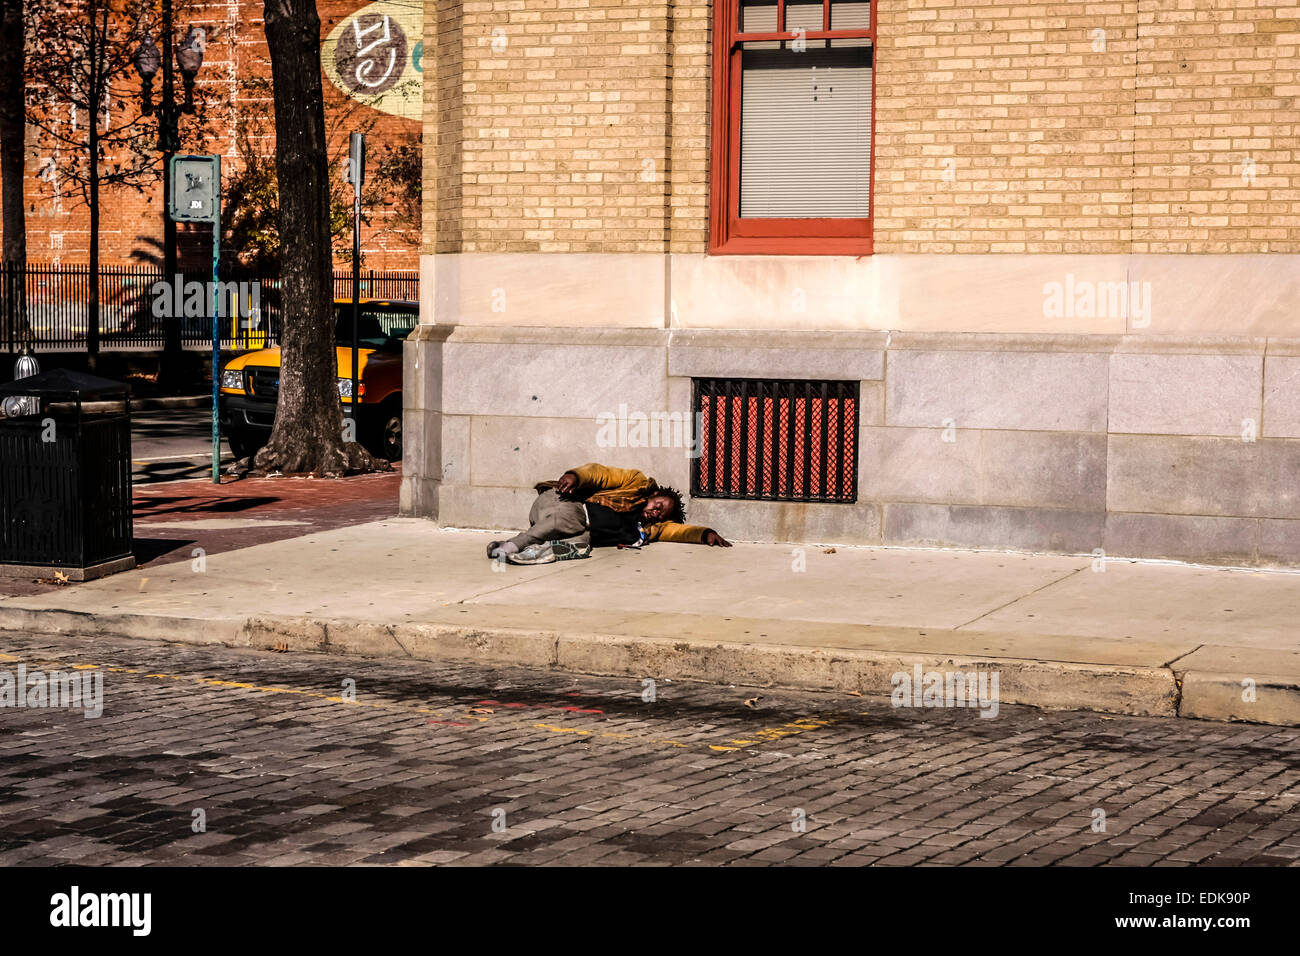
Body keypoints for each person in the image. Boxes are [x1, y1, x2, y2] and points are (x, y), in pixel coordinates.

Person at [487, 462, 732, 565]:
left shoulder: (647, 529)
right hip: (566, 504)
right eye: (657, 504)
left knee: (581, 546)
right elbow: (601, 473)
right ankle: (512, 545)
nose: (656, 513)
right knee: (564, 522)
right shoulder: (635, 483)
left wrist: (705, 534)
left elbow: (678, 531)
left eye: (661, 514)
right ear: (652, 495)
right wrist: (576, 476)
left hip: (583, 531)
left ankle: (530, 554)